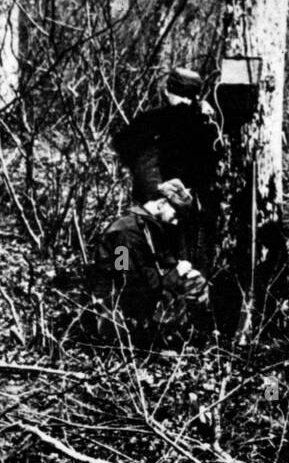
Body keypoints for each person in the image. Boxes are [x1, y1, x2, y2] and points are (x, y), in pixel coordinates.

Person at [112, 66, 219, 270]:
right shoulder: (206, 123)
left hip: (172, 209)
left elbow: (125, 146)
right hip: (173, 209)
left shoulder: (156, 121)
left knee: (171, 263)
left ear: (167, 91)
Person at [91, 179, 208, 340]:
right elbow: (124, 277)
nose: (176, 221)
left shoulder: (149, 227)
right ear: (161, 203)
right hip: (119, 305)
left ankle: (180, 336)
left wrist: (179, 271)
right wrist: (172, 276)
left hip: (144, 294)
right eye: (176, 214)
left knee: (194, 282)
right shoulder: (124, 232)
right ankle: (156, 338)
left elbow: (157, 263)